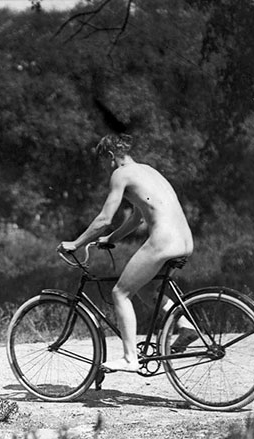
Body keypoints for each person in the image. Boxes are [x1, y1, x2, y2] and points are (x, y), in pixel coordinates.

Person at [60, 134, 196, 373]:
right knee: (145, 289)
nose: (107, 169)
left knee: (120, 293)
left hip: (164, 240)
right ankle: (186, 326)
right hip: (184, 239)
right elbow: (137, 216)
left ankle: (129, 358)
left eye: (106, 162)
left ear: (111, 156)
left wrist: (77, 243)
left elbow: (104, 219)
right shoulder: (148, 171)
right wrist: (112, 239)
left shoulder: (120, 174)